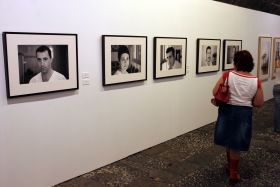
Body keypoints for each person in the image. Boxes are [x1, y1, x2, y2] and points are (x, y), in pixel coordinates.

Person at [212, 50, 264, 184]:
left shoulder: (228, 75)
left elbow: (214, 91)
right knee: (236, 141)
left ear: (236, 62)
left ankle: (232, 170)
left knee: (228, 139)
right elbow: (259, 102)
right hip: (243, 113)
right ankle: (233, 171)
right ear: (250, 63)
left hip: (227, 110)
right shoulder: (255, 80)